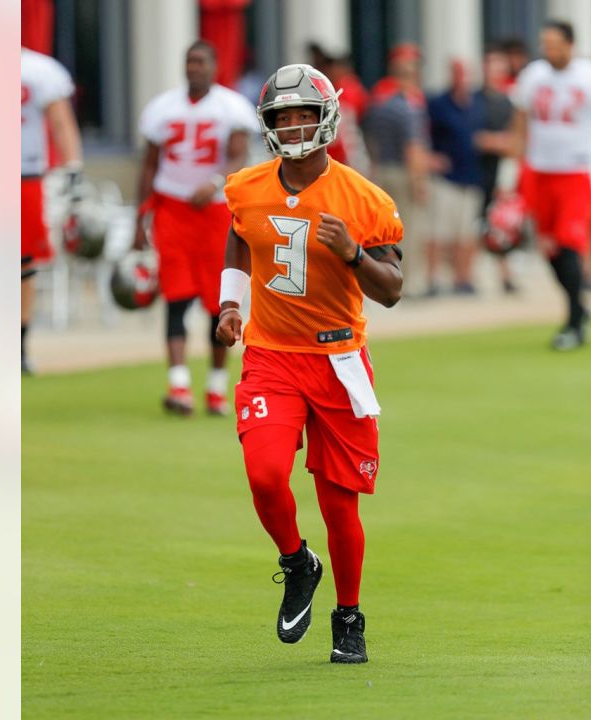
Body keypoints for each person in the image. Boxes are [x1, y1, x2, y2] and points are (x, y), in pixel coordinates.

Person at [216, 63, 403, 665]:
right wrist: (230, 303)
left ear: (325, 117)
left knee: (338, 503)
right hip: (272, 354)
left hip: (338, 356)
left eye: (303, 114)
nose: (294, 126)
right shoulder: (247, 186)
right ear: (268, 124)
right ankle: (297, 561)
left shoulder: (363, 197)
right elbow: (241, 235)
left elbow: (393, 287)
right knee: (266, 473)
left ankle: (349, 615)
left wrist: (352, 253)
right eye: (283, 117)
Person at [132, 41, 258, 415]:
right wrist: (141, 218)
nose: (194, 67)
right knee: (176, 294)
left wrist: (217, 180)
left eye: (201, 61)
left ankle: (216, 387)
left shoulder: (231, 106)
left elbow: (238, 154)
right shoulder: (162, 108)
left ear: (215, 65)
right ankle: (179, 385)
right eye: (190, 61)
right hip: (173, 208)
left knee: (217, 301)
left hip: (216, 212)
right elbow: (150, 166)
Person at [509, 21, 591, 350]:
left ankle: (573, 320)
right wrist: (514, 171)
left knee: (570, 244)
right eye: (545, 43)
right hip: (540, 169)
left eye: (555, 43)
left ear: (570, 44)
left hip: (577, 170)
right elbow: (520, 123)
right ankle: (580, 310)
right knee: (550, 248)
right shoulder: (533, 75)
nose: (549, 50)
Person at [21, 46, 83, 375]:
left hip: (25, 173)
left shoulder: (37, 70)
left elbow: (61, 123)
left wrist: (72, 167)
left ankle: (18, 343)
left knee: (24, 264)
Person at [362, 42, 430, 297]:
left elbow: (369, 138)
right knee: (407, 230)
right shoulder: (408, 105)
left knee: (383, 232)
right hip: (403, 172)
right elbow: (413, 147)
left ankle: (382, 279)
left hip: (382, 170)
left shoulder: (381, 102)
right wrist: (419, 181)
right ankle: (407, 283)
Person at [425, 59, 482, 295]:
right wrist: (429, 158)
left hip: (471, 175)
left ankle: (462, 279)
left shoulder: (477, 104)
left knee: (466, 234)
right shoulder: (438, 103)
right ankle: (433, 280)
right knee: (438, 232)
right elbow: (423, 131)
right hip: (446, 177)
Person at [471, 47, 520, 294]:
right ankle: (470, 277)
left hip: (501, 174)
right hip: (476, 174)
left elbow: (517, 140)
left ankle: (506, 276)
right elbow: (473, 138)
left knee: (501, 227)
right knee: (473, 226)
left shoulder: (509, 102)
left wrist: (496, 142)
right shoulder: (475, 100)